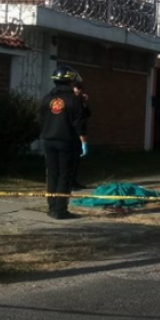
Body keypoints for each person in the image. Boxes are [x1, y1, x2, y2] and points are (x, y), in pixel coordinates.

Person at [39, 65, 88, 220]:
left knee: (52, 174)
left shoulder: (46, 98)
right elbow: (80, 123)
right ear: (69, 81)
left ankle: (52, 207)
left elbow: (41, 119)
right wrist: (84, 143)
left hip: (48, 141)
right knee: (65, 175)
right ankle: (61, 210)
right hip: (67, 142)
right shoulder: (74, 99)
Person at [71, 80, 92, 190]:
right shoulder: (72, 102)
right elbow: (78, 122)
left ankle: (73, 181)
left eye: (79, 93)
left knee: (77, 160)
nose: (78, 95)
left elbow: (88, 114)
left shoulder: (80, 103)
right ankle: (70, 182)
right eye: (76, 93)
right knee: (71, 160)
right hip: (72, 134)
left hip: (78, 135)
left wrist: (84, 103)